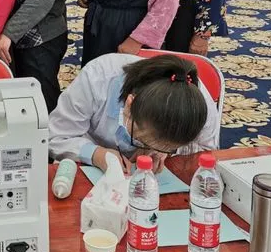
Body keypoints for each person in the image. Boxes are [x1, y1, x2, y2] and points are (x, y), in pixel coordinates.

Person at [49, 54, 218, 174]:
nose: (147, 146)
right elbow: (55, 136)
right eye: (141, 140)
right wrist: (96, 154)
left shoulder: (197, 106)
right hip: (89, 169)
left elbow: (203, 153)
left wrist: (164, 152)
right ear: (129, 105)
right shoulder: (97, 78)